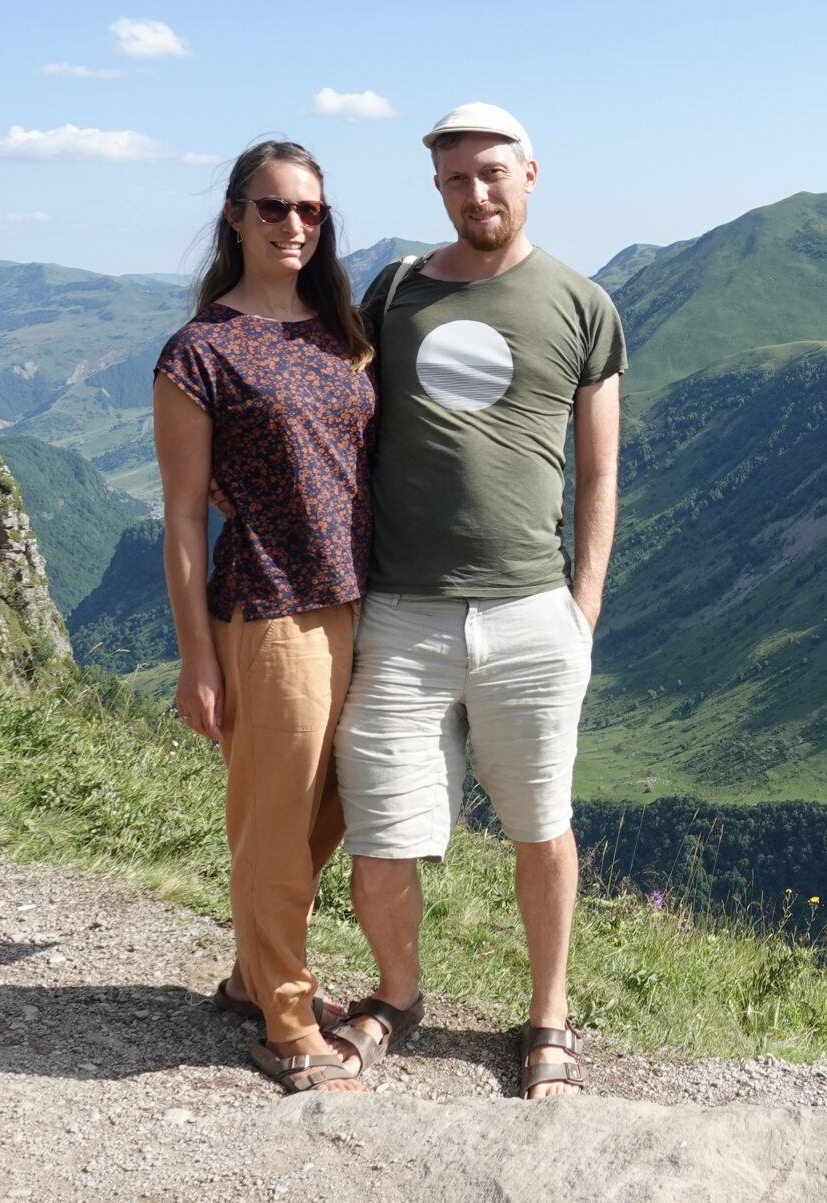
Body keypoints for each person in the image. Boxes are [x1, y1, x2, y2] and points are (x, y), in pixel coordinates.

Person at [327, 102, 623, 1099]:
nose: (474, 192)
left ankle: (547, 1013)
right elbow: (339, 417)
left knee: (541, 825)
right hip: (401, 611)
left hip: (531, 610)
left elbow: (599, 472)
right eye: (455, 178)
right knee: (380, 828)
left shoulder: (583, 306)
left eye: (491, 173)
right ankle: (397, 995)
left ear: (531, 174)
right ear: (437, 189)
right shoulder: (397, 291)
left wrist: (582, 603)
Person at [152, 139, 378, 1094]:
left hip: (357, 602)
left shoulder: (340, 330)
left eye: (311, 211)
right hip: (268, 610)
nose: (295, 225)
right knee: (276, 825)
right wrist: (196, 656)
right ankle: (286, 1021)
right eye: (275, 207)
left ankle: (254, 975)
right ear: (236, 214)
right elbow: (181, 515)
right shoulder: (200, 351)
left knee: (332, 808)